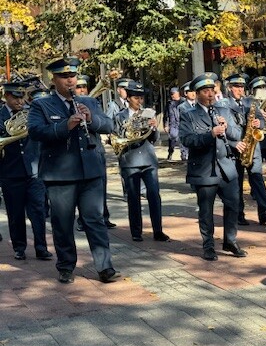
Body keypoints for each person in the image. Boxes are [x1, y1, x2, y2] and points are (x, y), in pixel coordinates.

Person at [27, 57, 119, 284]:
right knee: (62, 222)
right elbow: (35, 132)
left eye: (73, 76)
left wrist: (92, 118)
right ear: (53, 79)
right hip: (60, 174)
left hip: (91, 171)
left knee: (95, 220)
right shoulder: (42, 105)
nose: (70, 80)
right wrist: (64, 126)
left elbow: (109, 125)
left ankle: (105, 266)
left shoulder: (89, 101)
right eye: (64, 77)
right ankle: (66, 266)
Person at [179, 72, 247, 260]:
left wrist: (228, 128)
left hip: (226, 167)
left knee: (233, 205)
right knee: (206, 210)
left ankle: (230, 240)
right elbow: (187, 139)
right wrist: (210, 133)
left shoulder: (223, 111)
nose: (211, 94)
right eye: (206, 91)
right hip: (204, 170)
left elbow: (236, 133)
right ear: (198, 93)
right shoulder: (189, 115)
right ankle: (208, 245)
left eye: (212, 90)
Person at [0, 80, 52, 261]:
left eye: (22, 97)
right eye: (16, 97)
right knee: (15, 213)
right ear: (6, 96)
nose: (20, 101)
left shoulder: (32, 113)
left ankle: (41, 247)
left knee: (38, 211)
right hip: (10, 171)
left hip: (34, 170)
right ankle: (19, 247)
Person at [114, 79, 170, 242]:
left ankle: (158, 230)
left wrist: (153, 127)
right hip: (130, 160)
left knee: (154, 195)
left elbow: (155, 139)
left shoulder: (148, 113)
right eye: (136, 97)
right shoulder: (120, 116)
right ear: (129, 98)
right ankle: (136, 232)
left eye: (141, 98)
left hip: (148, 159)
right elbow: (117, 137)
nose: (140, 101)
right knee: (133, 197)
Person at [226, 73, 266, 226]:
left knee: (257, 178)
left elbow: (262, 120)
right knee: (237, 183)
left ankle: (263, 211)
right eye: (236, 87)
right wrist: (234, 142)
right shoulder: (224, 104)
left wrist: (258, 123)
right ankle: (238, 214)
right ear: (229, 88)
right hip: (237, 147)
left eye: (242, 87)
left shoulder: (251, 102)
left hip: (252, 146)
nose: (240, 90)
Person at [75, 74, 117, 232]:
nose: (82, 90)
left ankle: (104, 217)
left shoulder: (93, 103)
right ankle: (82, 220)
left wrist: (90, 118)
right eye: (79, 87)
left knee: (101, 187)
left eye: (84, 87)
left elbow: (108, 125)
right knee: (81, 190)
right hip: (77, 155)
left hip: (95, 152)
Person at [177, 81, 197, 160]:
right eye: (190, 91)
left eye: (194, 91)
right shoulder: (182, 107)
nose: (193, 94)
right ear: (185, 93)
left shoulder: (198, 105)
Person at [163, 86, 182, 160]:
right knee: (172, 138)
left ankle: (184, 156)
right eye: (171, 94)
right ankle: (170, 152)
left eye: (174, 94)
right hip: (173, 125)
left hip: (181, 124)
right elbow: (166, 115)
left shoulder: (183, 102)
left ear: (178, 94)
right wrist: (166, 125)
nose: (172, 95)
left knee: (183, 141)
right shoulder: (169, 104)